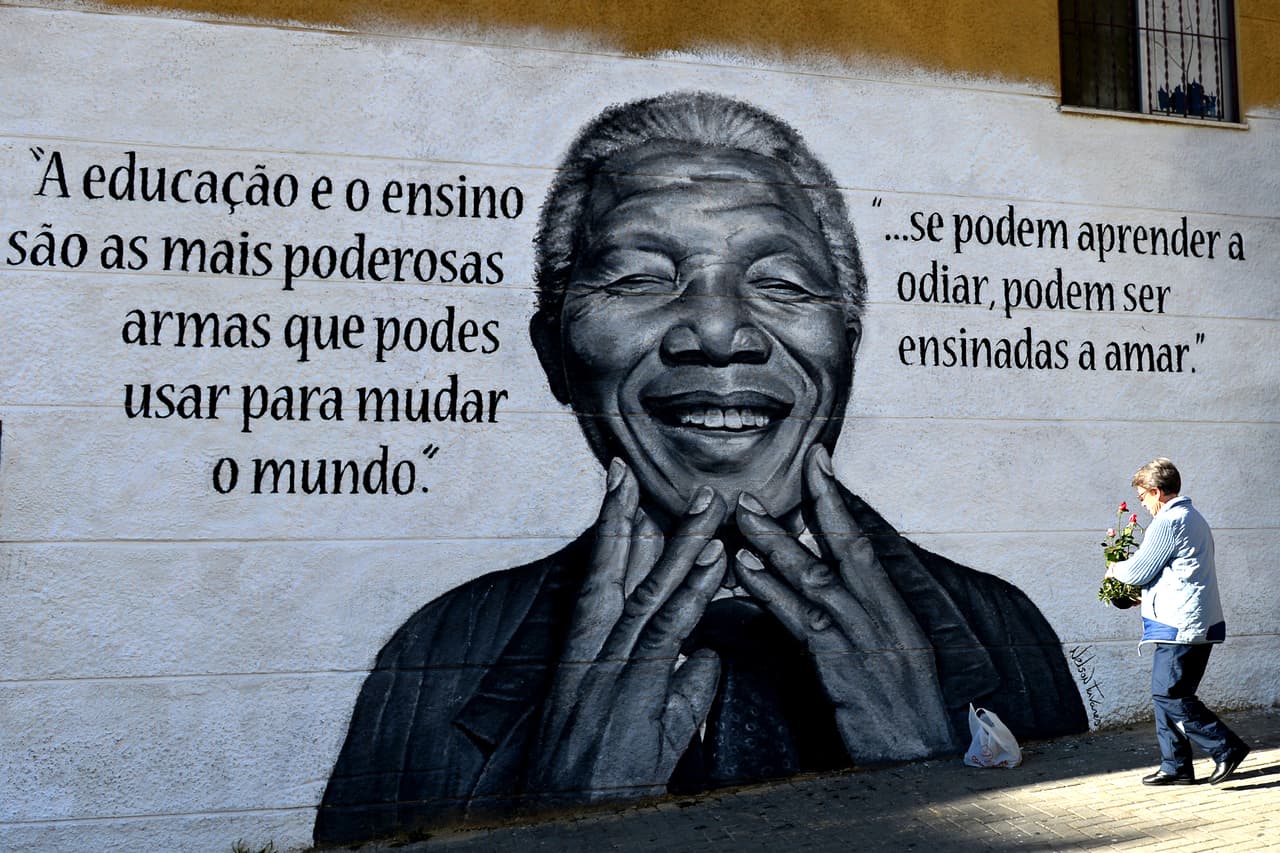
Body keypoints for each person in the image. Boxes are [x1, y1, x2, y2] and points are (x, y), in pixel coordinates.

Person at [314, 92, 1086, 845]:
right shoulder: (439, 654)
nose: (719, 332)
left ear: (845, 346)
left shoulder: (1000, 627)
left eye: (781, 283)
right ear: (555, 353)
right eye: (641, 278)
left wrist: (928, 774)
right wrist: (565, 818)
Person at [1107, 457, 1249, 786]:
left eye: (1143, 497)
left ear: (1157, 491)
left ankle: (1226, 747)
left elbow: (1139, 571)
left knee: (1170, 695)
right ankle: (1175, 766)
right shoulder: (1193, 518)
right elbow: (1180, 574)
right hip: (1195, 621)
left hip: (1180, 626)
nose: (1142, 504)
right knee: (1166, 694)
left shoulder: (1170, 521)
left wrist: (1115, 568)